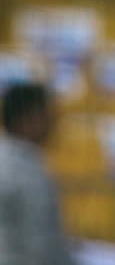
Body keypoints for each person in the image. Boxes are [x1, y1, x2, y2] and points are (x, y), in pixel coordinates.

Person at [0, 83, 76, 265]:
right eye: (48, 116)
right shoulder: (29, 175)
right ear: (29, 120)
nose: (54, 123)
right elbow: (42, 250)